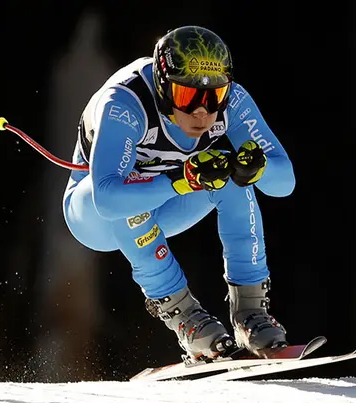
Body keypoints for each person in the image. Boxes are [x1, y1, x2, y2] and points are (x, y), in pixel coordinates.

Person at [62, 25, 296, 362]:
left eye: (214, 96)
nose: (202, 112)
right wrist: (181, 180)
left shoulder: (234, 102)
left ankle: (250, 313)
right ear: (161, 85)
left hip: (165, 206)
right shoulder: (126, 103)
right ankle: (184, 316)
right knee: (131, 194)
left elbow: (284, 182)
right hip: (95, 216)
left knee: (233, 177)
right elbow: (107, 197)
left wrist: (256, 168)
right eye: (187, 97)